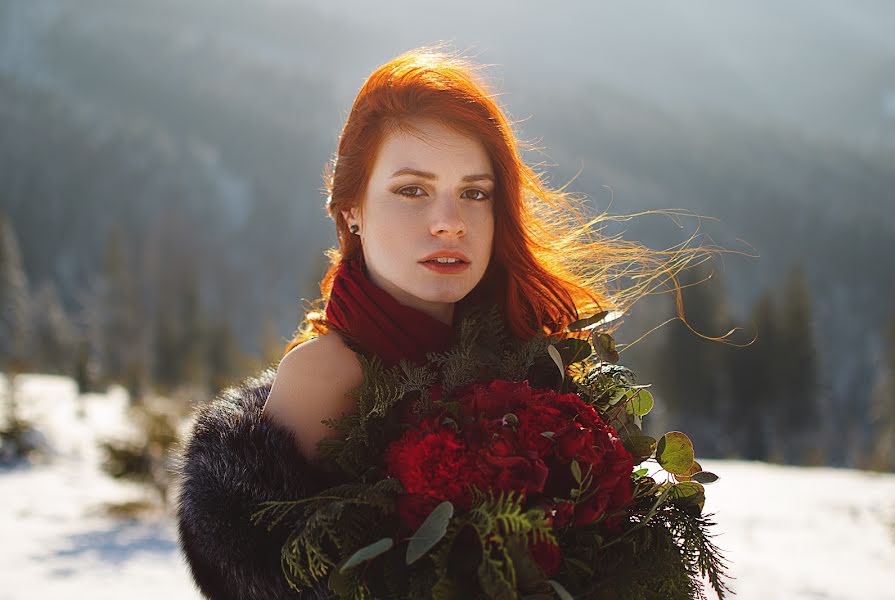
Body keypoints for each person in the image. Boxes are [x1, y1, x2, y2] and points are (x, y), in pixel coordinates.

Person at [173, 44, 719, 600]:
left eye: (474, 193)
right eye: (412, 190)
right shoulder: (324, 379)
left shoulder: (536, 357)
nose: (449, 223)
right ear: (351, 208)